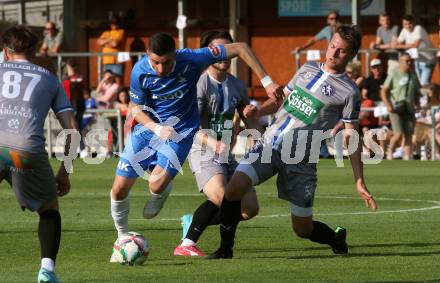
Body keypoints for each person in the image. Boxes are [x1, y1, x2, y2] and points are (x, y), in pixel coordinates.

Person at [108, 32, 283, 261]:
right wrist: (157, 128)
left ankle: (187, 217)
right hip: (152, 130)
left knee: (246, 208)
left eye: (167, 62)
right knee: (119, 188)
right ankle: (123, 238)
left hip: (184, 134)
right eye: (155, 63)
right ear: (148, 56)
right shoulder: (140, 71)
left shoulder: (192, 60)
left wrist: (266, 84)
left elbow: (241, 48)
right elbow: (135, 108)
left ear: (175, 55)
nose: (161, 69)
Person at [209, 25, 378, 259]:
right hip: (269, 145)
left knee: (302, 228)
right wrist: (257, 111)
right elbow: (281, 101)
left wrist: (359, 180)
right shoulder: (307, 68)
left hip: (301, 159)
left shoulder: (349, 92)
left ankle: (335, 239)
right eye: (332, 46)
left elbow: (352, 135)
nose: (333, 53)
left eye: (341, 51)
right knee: (234, 188)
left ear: (351, 55)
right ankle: (225, 249)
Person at [0, 25, 79, 283]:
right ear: (35, 52)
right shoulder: (49, 78)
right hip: (25, 150)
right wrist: (64, 171)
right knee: (48, 210)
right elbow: (72, 130)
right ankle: (47, 270)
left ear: (5, 51)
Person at [173, 30, 261, 257]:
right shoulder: (199, 84)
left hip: (226, 154)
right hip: (202, 150)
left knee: (249, 208)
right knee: (223, 198)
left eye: (228, 50)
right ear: (208, 53)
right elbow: (188, 127)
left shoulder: (238, 86)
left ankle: (194, 222)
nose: (224, 55)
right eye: (218, 50)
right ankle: (186, 244)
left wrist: (257, 138)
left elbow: (248, 118)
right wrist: (213, 142)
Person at [381, 53, 421, 160]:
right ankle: (389, 153)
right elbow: (384, 90)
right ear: (401, 62)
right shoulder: (394, 73)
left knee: (408, 134)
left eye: (410, 61)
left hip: (409, 108)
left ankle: (407, 157)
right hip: (396, 108)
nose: (409, 63)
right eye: (406, 61)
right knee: (398, 134)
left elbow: (417, 91)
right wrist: (388, 104)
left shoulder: (413, 75)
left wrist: (418, 103)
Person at [394, 15, 435, 86]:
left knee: (423, 84)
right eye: (405, 24)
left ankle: (428, 96)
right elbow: (396, 43)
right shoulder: (404, 30)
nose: (407, 26)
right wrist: (396, 44)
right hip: (417, 61)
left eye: (409, 23)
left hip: (428, 60)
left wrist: (400, 46)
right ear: (403, 24)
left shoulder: (418, 28)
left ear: (413, 22)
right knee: (418, 84)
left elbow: (415, 45)